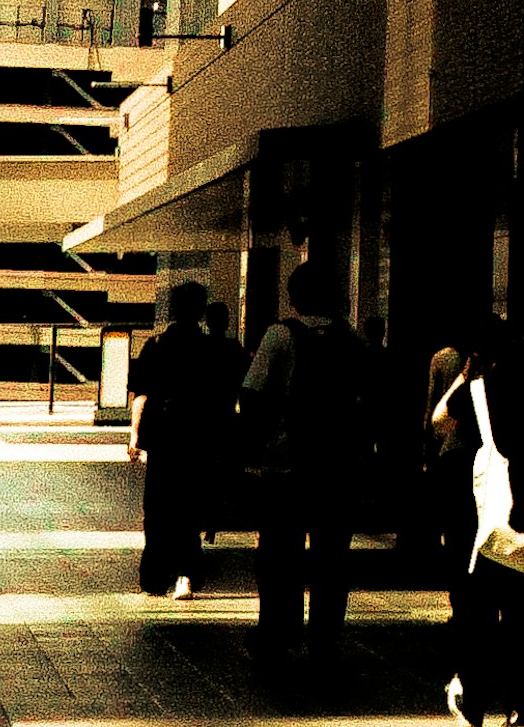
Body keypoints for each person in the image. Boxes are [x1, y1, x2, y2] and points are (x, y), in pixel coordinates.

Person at [237, 267, 373, 668]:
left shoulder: (280, 335)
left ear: (294, 298)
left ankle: (279, 629)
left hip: (287, 464)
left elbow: (252, 392)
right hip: (338, 467)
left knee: (280, 551)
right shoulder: (353, 342)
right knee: (332, 556)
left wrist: (258, 442)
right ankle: (325, 635)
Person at [429, 327, 524, 727]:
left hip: (483, 508)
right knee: (521, 615)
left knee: (476, 611)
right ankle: (519, 714)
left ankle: (473, 705)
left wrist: (466, 374)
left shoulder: (479, 385)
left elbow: (439, 421)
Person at [129, 284, 235, 599]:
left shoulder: (157, 346)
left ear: (172, 310)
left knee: (159, 508)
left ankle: (154, 575)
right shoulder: (212, 350)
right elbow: (221, 400)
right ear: (201, 311)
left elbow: (142, 395)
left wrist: (134, 434)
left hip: (164, 438)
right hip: (198, 438)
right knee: (190, 507)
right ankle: (186, 574)